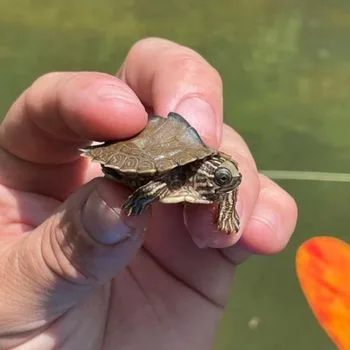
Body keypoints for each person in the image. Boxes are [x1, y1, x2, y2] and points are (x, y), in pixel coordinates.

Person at [0, 38, 297, 349]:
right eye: (222, 177)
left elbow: (223, 181)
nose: (228, 181)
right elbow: (163, 179)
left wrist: (226, 205)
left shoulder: (208, 184)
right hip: (140, 162)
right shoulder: (173, 177)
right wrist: (143, 196)